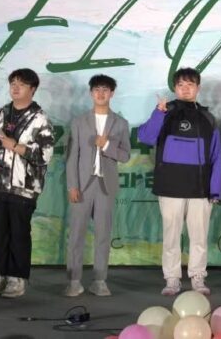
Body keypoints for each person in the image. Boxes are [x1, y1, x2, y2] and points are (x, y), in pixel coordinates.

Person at [137, 67, 221, 296]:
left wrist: (215, 190)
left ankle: (198, 277)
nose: (185, 89)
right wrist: (158, 114)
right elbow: (145, 137)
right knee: (171, 236)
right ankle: (172, 279)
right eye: (181, 85)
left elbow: (216, 156)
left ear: (198, 88)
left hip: (200, 189)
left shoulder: (208, 118)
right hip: (170, 187)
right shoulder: (164, 112)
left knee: (199, 237)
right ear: (175, 88)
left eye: (190, 84)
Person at [0, 68, 56, 299]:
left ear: (33, 89)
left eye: (21, 84)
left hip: (23, 188)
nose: (15, 88)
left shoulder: (40, 119)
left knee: (19, 233)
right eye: (13, 83)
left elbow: (45, 155)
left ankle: (17, 278)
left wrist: (16, 147)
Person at [64, 74, 131, 297]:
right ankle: (74, 281)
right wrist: (72, 186)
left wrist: (107, 145)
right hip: (82, 186)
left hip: (106, 185)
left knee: (103, 235)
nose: (101, 94)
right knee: (76, 234)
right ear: (91, 93)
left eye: (105, 90)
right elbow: (71, 157)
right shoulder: (79, 121)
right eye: (97, 89)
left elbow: (125, 155)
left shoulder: (121, 123)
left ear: (112, 93)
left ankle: (100, 280)